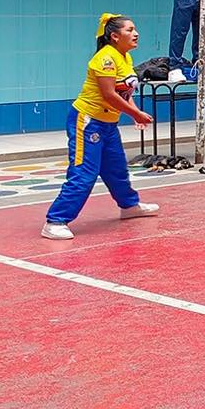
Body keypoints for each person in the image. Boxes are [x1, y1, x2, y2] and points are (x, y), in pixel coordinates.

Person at [41, 14, 159, 240]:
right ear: (114, 36)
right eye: (130, 30)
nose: (136, 34)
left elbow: (124, 93)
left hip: (109, 124)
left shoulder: (125, 57)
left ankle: (129, 206)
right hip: (88, 121)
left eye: (135, 29)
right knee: (84, 172)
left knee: (116, 168)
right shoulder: (105, 59)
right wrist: (135, 113)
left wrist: (135, 114)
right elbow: (109, 94)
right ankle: (55, 221)